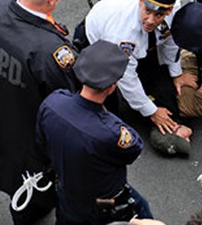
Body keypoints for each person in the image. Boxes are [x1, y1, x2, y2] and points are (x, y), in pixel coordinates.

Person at [0, 0, 80, 224]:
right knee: (30, 188)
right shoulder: (52, 51)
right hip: (31, 130)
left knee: (6, 163)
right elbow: (64, 102)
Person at [37, 40, 152, 224]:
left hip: (67, 192)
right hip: (102, 205)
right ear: (111, 86)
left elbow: (42, 140)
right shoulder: (111, 131)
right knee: (143, 212)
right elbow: (133, 149)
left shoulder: (53, 102)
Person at [83, 0, 196, 137]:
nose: (150, 20)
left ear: (169, 11)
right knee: (108, 105)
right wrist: (151, 111)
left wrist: (176, 73)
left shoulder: (173, 10)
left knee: (159, 84)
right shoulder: (122, 34)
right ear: (141, 0)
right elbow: (125, 75)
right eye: (147, 11)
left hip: (141, 41)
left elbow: (170, 40)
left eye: (159, 14)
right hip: (102, 43)